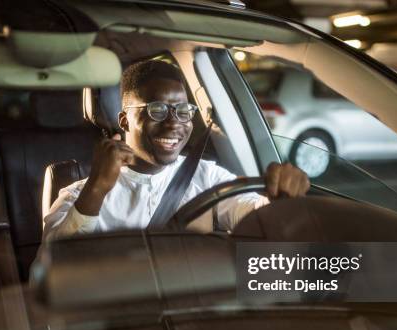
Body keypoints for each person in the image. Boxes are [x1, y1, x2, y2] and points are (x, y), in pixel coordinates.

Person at [42, 60, 309, 241]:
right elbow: (54, 266)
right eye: (157, 110)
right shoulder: (79, 193)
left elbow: (251, 215)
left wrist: (278, 200)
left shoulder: (207, 178)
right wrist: (97, 189)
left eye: (183, 111)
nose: (174, 123)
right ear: (124, 120)